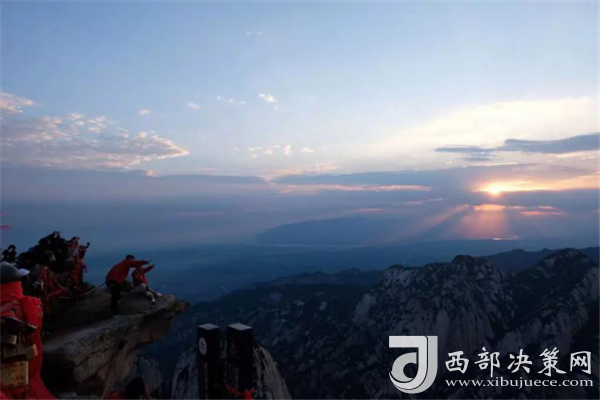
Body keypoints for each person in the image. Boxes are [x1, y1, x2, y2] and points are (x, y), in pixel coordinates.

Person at [0, 262, 55, 399]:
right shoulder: (29, 306)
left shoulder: (8, 316)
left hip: (13, 386)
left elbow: (12, 378)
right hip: (31, 376)